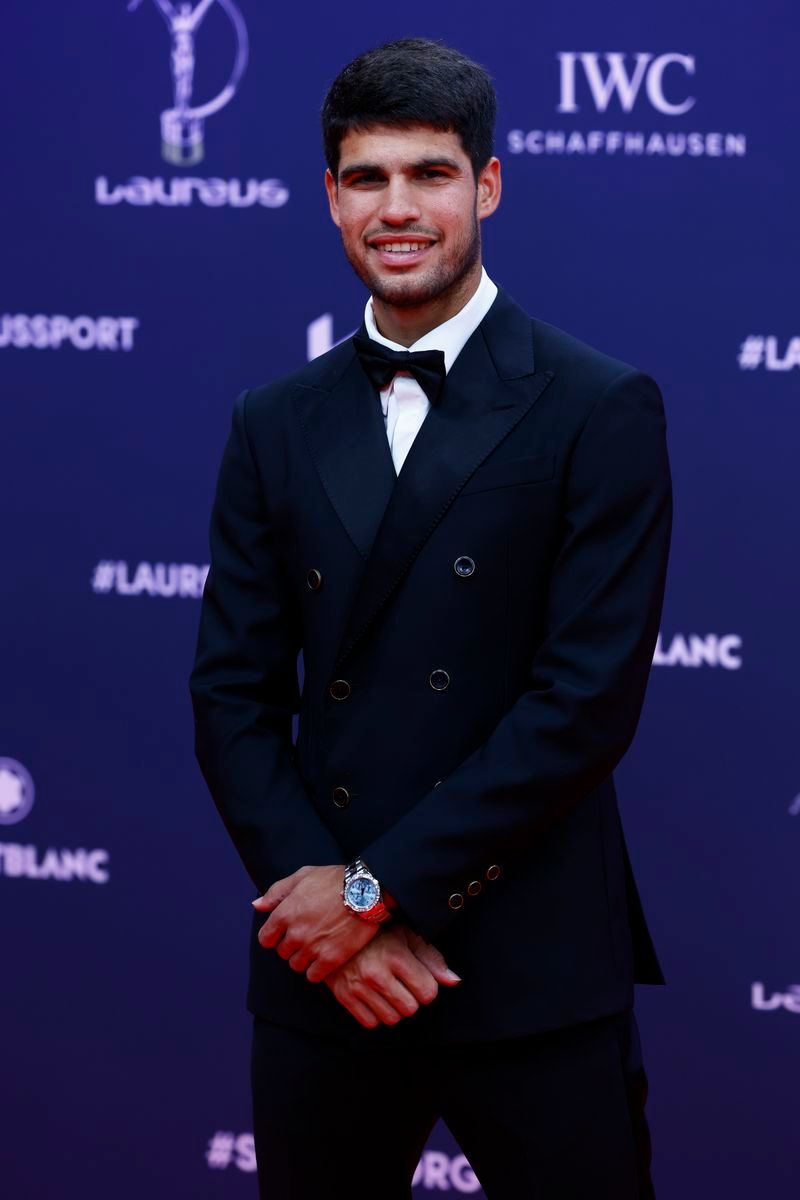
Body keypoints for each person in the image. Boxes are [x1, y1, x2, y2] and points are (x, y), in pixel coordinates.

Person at [189, 36, 672, 1200]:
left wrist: (369, 893)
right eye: (367, 178)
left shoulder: (596, 404)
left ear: (486, 186)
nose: (396, 208)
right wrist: (326, 912)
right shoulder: (274, 420)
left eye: (429, 174)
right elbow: (232, 695)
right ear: (330, 197)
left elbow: (582, 704)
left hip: (527, 967)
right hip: (328, 979)